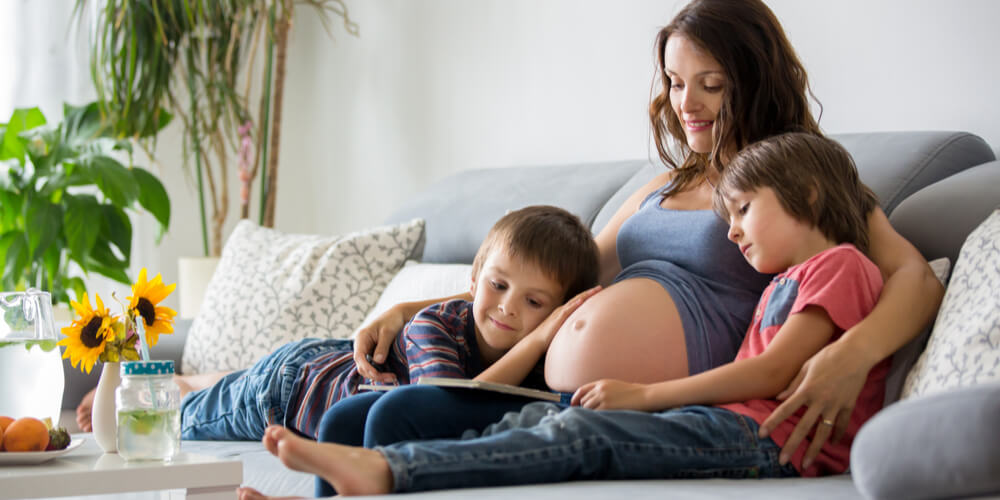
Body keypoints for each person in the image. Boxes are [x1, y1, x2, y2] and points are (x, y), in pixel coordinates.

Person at [343, 0, 943, 466]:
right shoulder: (658, 186)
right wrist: (413, 308)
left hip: (628, 402)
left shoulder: (797, 190)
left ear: (755, 78)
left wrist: (850, 354)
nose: (688, 104)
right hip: (542, 381)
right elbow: (550, 287)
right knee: (356, 420)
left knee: (393, 421)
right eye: (676, 83)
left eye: (711, 84)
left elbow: (914, 278)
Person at [240, 131, 892, 496]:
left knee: (577, 437)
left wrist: (644, 396)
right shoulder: (787, 276)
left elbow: (773, 371)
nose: (732, 232)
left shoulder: (839, 266)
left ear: (807, 195)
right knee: (543, 420)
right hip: (722, 421)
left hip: (764, 442)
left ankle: (389, 470)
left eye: (744, 211)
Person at [177, 205, 600, 441]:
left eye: (534, 301)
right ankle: (172, 384)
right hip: (290, 391)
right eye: (498, 284)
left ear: (560, 308)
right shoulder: (430, 327)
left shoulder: (548, 362)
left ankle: (192, 379)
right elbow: (443, 405)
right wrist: (540, 334)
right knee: (182, 417)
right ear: (473, 279)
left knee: (211, 381)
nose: (508, 308)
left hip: (326, 362)